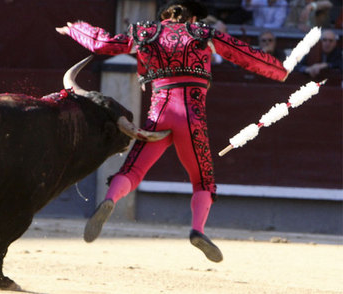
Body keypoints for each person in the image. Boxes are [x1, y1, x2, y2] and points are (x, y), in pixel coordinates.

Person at [56, 0, 288, 263]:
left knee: (133, 169)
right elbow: (246, 55)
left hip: (159, 114)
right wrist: (280, 71)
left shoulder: (145, 34)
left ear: (165, 15)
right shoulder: (202, 34)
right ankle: (197, 230)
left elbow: (104, 43)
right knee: (202, 181)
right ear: (192, 18)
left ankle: (110, 199)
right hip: (191, 116)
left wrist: (76, 29)